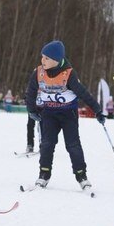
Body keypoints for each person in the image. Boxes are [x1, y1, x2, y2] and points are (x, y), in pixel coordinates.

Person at [26, 40, 106, 190]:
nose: (42, 60)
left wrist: (97, 110)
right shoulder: (38, 72)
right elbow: (30, 92)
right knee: (47, 144)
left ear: (56, 60)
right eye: (42, 57)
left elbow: (83, 93)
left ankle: (81, 176)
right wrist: (31, 110)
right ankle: (44, 174)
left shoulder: (68, 74)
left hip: (68, 114)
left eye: (47, 58)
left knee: (73, 145)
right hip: (49, 113)